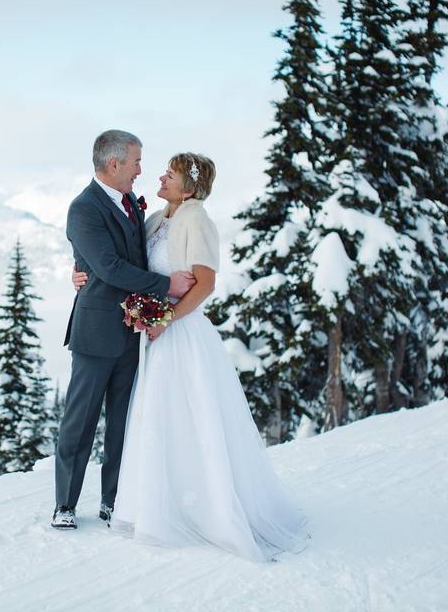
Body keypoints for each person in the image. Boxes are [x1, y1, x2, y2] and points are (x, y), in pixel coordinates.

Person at [73, 152, 308, 562]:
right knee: (159, 419)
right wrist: (83, 271)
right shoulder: (159, 218)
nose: (160, 176)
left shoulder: (197, 218)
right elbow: (124, 263)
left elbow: (205, 285)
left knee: (189, 417)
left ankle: (205, 508)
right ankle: (162, 503)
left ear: (190, 186)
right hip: (156, 335)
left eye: (171, 172)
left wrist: (167, 318)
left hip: (182, 334)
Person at [53, 130, 195, 530]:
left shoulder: (132, 202)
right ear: (114, 164)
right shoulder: (83, 209)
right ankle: (65, 503)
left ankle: (112, 501)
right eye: (135, 161)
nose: (140, 170)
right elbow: (109, 267)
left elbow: (137, 257)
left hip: (134, 331)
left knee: (123, 422)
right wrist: (167, 286)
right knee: (79, 422)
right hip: (96, 332)